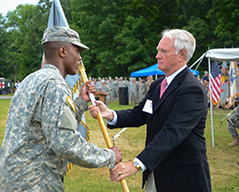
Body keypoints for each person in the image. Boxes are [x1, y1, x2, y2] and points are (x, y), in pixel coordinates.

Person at [0, 26, 122, 192]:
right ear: (63, 51)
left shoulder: (31, 79)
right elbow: (64, 143)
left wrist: (81, 102)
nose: (80, 58)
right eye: (77, 51)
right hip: (34, 182)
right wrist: (109, 156)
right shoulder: (55, 85)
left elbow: (50, 123)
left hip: (10, 177)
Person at [89, 29, 211, 192]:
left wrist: (136, 164)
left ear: (181, 55)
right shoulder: (157, 85)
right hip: (157, 171)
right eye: (158, 51)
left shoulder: (191, 89)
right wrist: (110, 114)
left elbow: (172, 133)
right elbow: (140, 114)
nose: (157, 56)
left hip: (182, 176)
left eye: (163, 51)